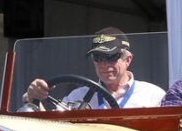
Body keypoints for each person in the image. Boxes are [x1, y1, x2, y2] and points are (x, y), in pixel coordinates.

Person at [25, 27, 166, 110]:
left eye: (111, 57)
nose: (104, 64)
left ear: (127, 60)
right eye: (98, 57)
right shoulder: (77, 96)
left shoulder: (153, 96)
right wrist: (32, 98)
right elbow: (51, 128)